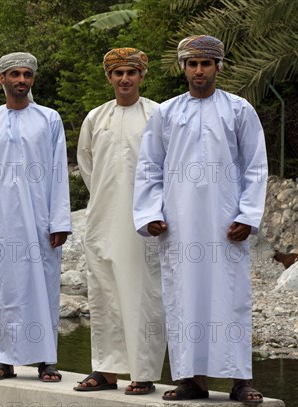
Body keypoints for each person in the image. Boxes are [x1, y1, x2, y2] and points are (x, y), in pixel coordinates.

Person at [133, 35, 267, 404]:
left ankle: (241, 381)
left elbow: (256, 166)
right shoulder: (167, 112)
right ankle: (193, 380)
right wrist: (150, 213)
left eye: (205, 64)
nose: (198, 71)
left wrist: (247, 214)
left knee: (231, 297)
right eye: (192, 64)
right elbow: (149, 167)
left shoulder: (239, 110)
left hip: (226, 225)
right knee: (184, 298)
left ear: (218, 67)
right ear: (183, 68)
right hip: (179, 224)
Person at [0, 52, 72, 382]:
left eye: (27, 74)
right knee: (5, 292)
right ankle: (5, 359)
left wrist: (60, 221)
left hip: (40, 221)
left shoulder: (49, 119)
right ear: (2, 79)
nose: (22, 80)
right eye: (15, 75)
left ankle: (46, 360)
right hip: (0, 221)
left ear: (33, 79)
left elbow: (58, 172)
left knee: (43, 288)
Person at [74, 48, 165, 395]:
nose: (124, 78)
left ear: (142, 75)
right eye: (118, 73)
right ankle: (106, 371)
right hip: (102, 217)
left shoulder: (158, 114)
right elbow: (87, 165)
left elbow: (167, 164)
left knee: (144, 295)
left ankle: (142, 373)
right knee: (104, 293)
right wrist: (105, 196)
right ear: (109, 78)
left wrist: (153, 208)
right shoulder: (96, 118)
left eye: (131, 72)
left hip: (144, 222)